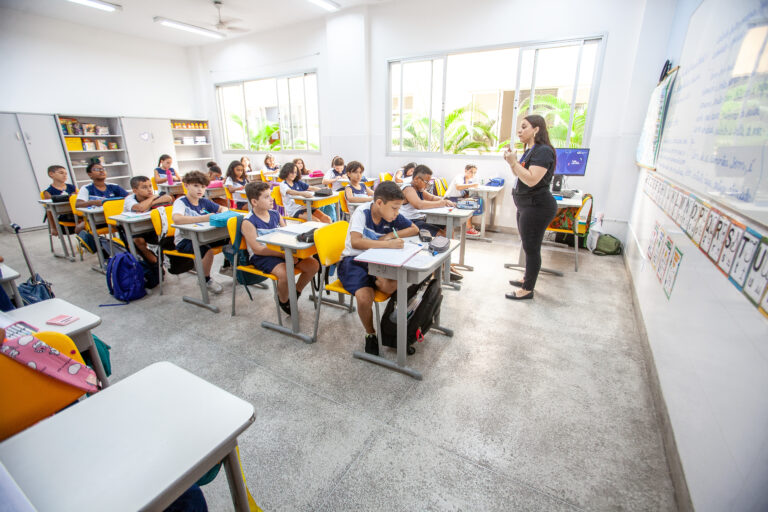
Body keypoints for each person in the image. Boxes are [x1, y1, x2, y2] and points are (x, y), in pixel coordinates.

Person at [337, 181, 418, 355]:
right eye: (394, 208)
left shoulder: (391, 215)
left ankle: (394, 328)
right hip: (353, 261)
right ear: (379, 203)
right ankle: (371, 334)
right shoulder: (362, 212)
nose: (397, 213)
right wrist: (387, 245)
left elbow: (414, 229)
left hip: (378, 259)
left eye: (399, 209)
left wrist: (390, 235)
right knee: (365, 297)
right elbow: (356, 241)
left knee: (389, 285)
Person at [241, 181, 320, 315]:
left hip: (283, 251)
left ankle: (295, 292)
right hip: (263, 256)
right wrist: (282, 255)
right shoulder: (248, 221)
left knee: (313, 265)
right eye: (266, 197)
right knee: (285, 273)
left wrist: (292, 253)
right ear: (254, 202)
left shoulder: (275, 214)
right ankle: (283, 300)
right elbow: (258, 249)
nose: (272, 199)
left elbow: (287, 235)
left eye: (270, 195)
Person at [503, 114, 558, 300]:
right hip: (526, 206)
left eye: (524, 127)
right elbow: (519, 173)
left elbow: (532, 180)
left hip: (537, 207)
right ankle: (527, 278)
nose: (519, 130)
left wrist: (513, 163)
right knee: (528, 247)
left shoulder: (543, 151)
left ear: (536, 129)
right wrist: (512, 162)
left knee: (532, 248)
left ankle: (527, 289)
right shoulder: (530, 150)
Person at [171, 171, 229, 294]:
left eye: (203, 187)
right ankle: (205, 279)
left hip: (205, 236)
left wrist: (222, 212)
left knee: (232, 238)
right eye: (196, 186)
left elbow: (223, 208)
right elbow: (177, 219)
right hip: (185, 240)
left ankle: (230, 267)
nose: (200, 190)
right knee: (207, 251)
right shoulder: (181, 202)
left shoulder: (203, 201)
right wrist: (204, 218)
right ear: (186, 185)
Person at [75, 162, 129, 253]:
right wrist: (95, 202)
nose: (101, 171)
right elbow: (78, 204)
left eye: (103, 169)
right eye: (96, 169)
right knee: (80, 228)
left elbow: (129, 199)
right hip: (97, 221)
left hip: (114, 219)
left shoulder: (114, 187)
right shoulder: (87, 188)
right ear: (90, 174)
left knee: (127, 227)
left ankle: (127, 249)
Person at [123, 176, 172, 264]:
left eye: (150, 186)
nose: (149, 190)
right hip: (134, 230)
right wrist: (152, 198)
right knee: (139, 241)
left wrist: (151, 202)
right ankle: (154, 263)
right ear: (135, 191)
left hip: (150, 227)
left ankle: (163, 259)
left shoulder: (152, 196)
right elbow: (140, 207)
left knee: (166, 237)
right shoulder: (129, 199)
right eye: (144, 187)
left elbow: (168, 198)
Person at [399, 165, 454, 237]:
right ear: (416, 179)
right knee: (443, 235)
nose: (427, 184)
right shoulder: (408, 189)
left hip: (420, 220)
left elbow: (432, 198)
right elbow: (419, 205)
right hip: (410, 222)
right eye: (426, 182)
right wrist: (441, 203)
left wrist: (446, 201)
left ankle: (444, 246)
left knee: (449, 226)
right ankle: (441, 246)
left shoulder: (419, 189)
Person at [43, 164, 80, 236]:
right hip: (63, 218)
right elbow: (49, 211)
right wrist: (53, 228)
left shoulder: (72, 187)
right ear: (51, 174)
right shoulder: (48, 192)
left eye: (66, 174)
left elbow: (79, 201)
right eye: (61, 173)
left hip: (76, 215)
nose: (64, 175)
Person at [445, 164, 482, 235]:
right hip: (450, 200)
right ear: (466, 171)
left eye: (474, 172)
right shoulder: (459, 177)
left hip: (457, 199)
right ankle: (469, 228)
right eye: (471, 172)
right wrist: (473, 185)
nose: (473, 174)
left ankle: (468, 227)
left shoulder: (469, 180)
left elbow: (465, 194)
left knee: (476, 202)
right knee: (471, 204)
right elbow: (458, 187)